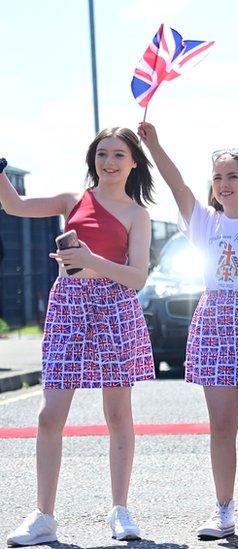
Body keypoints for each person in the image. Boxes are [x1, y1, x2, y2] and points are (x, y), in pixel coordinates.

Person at [139, 122, 238, 540]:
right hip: (214, 323)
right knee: (221, 422)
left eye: (232, 176)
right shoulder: (204, 222)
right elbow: (177, 185)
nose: (223, 184)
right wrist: (155, 145)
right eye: (218, 177)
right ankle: (223, 508)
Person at [1, 131, 155, 546]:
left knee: (118, 413)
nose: (109, 162)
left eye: (118, 155)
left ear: (133, 163)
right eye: (102, 154)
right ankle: (44, 515)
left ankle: (120, 510)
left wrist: (90, 259)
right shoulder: (73, 199)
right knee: (50, 414)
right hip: (68, 304)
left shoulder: (137, 214)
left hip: (115, 306)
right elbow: (13, 205)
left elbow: (137, 277)